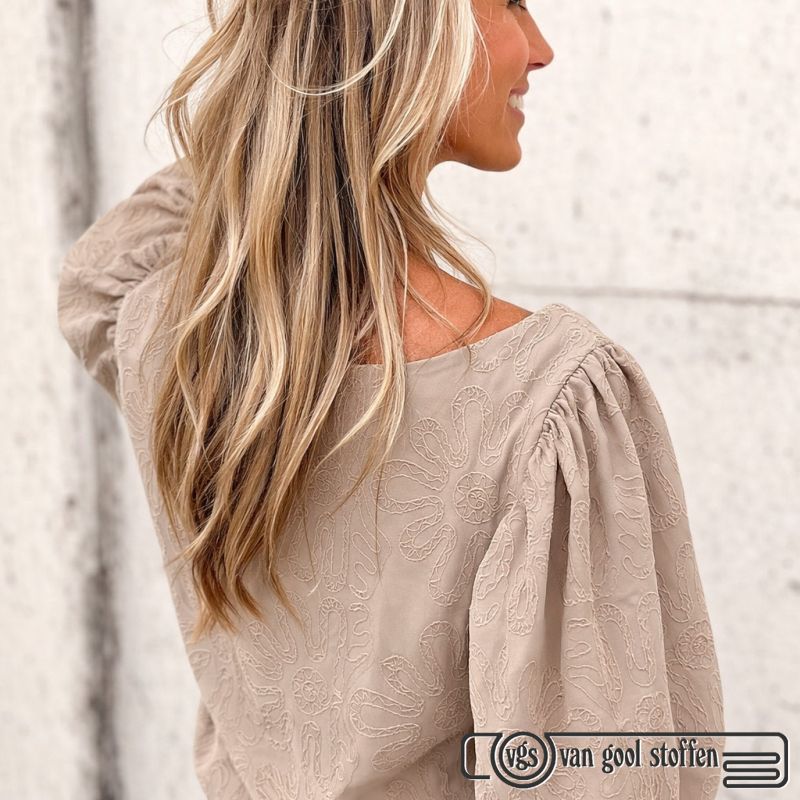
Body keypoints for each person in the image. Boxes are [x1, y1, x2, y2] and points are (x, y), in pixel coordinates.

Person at [56, 1, 725, 798]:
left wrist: (307, 87)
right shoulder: (547, 399)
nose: (541, 48)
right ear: (411, 24)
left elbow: (110, 265)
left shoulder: (175, 332)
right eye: (511, 3)